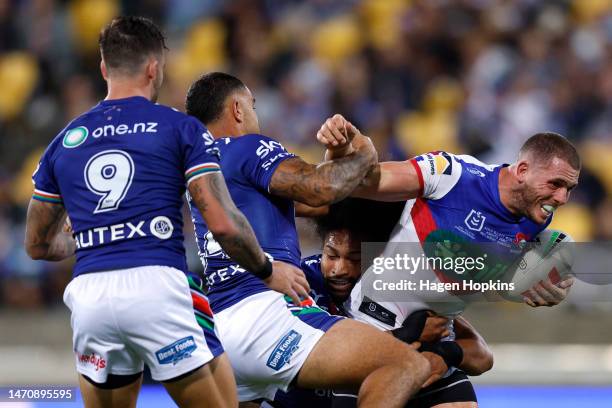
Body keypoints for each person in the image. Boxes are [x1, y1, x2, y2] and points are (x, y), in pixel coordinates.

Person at [24, 17, 307, 408]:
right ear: (154, 68)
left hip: (89, 297)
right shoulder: (179, 127)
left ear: (104, 69)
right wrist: (266, 269)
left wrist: (84, 237)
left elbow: (37, 245)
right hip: (157, 288)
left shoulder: (65, 141)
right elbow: (224, 224)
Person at [184, 72, 431, 408]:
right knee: (404, 364)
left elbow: (322, 202)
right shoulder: (248, 146)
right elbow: (321, 188)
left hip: (222, 330)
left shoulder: (201, 167)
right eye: (253, 106)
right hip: (265, 314)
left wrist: (335, 155)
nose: (256, 116)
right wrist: (362, 152)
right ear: (238, 109)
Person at [314, 129, 578, 407]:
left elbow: (486, 276)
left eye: (569, 189)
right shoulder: (451, 175)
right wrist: (341, 150)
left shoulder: (535, 217)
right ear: (523, 170)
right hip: (372, 333)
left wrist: (544, 289)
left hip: (434, 345)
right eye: (555, 184)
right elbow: (359, 182)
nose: (562, 198)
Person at [270, 198, 493, 408]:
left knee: (446, 382)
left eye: (355, 259)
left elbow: (482, 356)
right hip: (300, 397)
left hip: (375, 390)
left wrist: (446, 354)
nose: (339, 269)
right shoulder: (301, 282)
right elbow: (304, 353)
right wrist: (406, 335)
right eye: (332, 256)